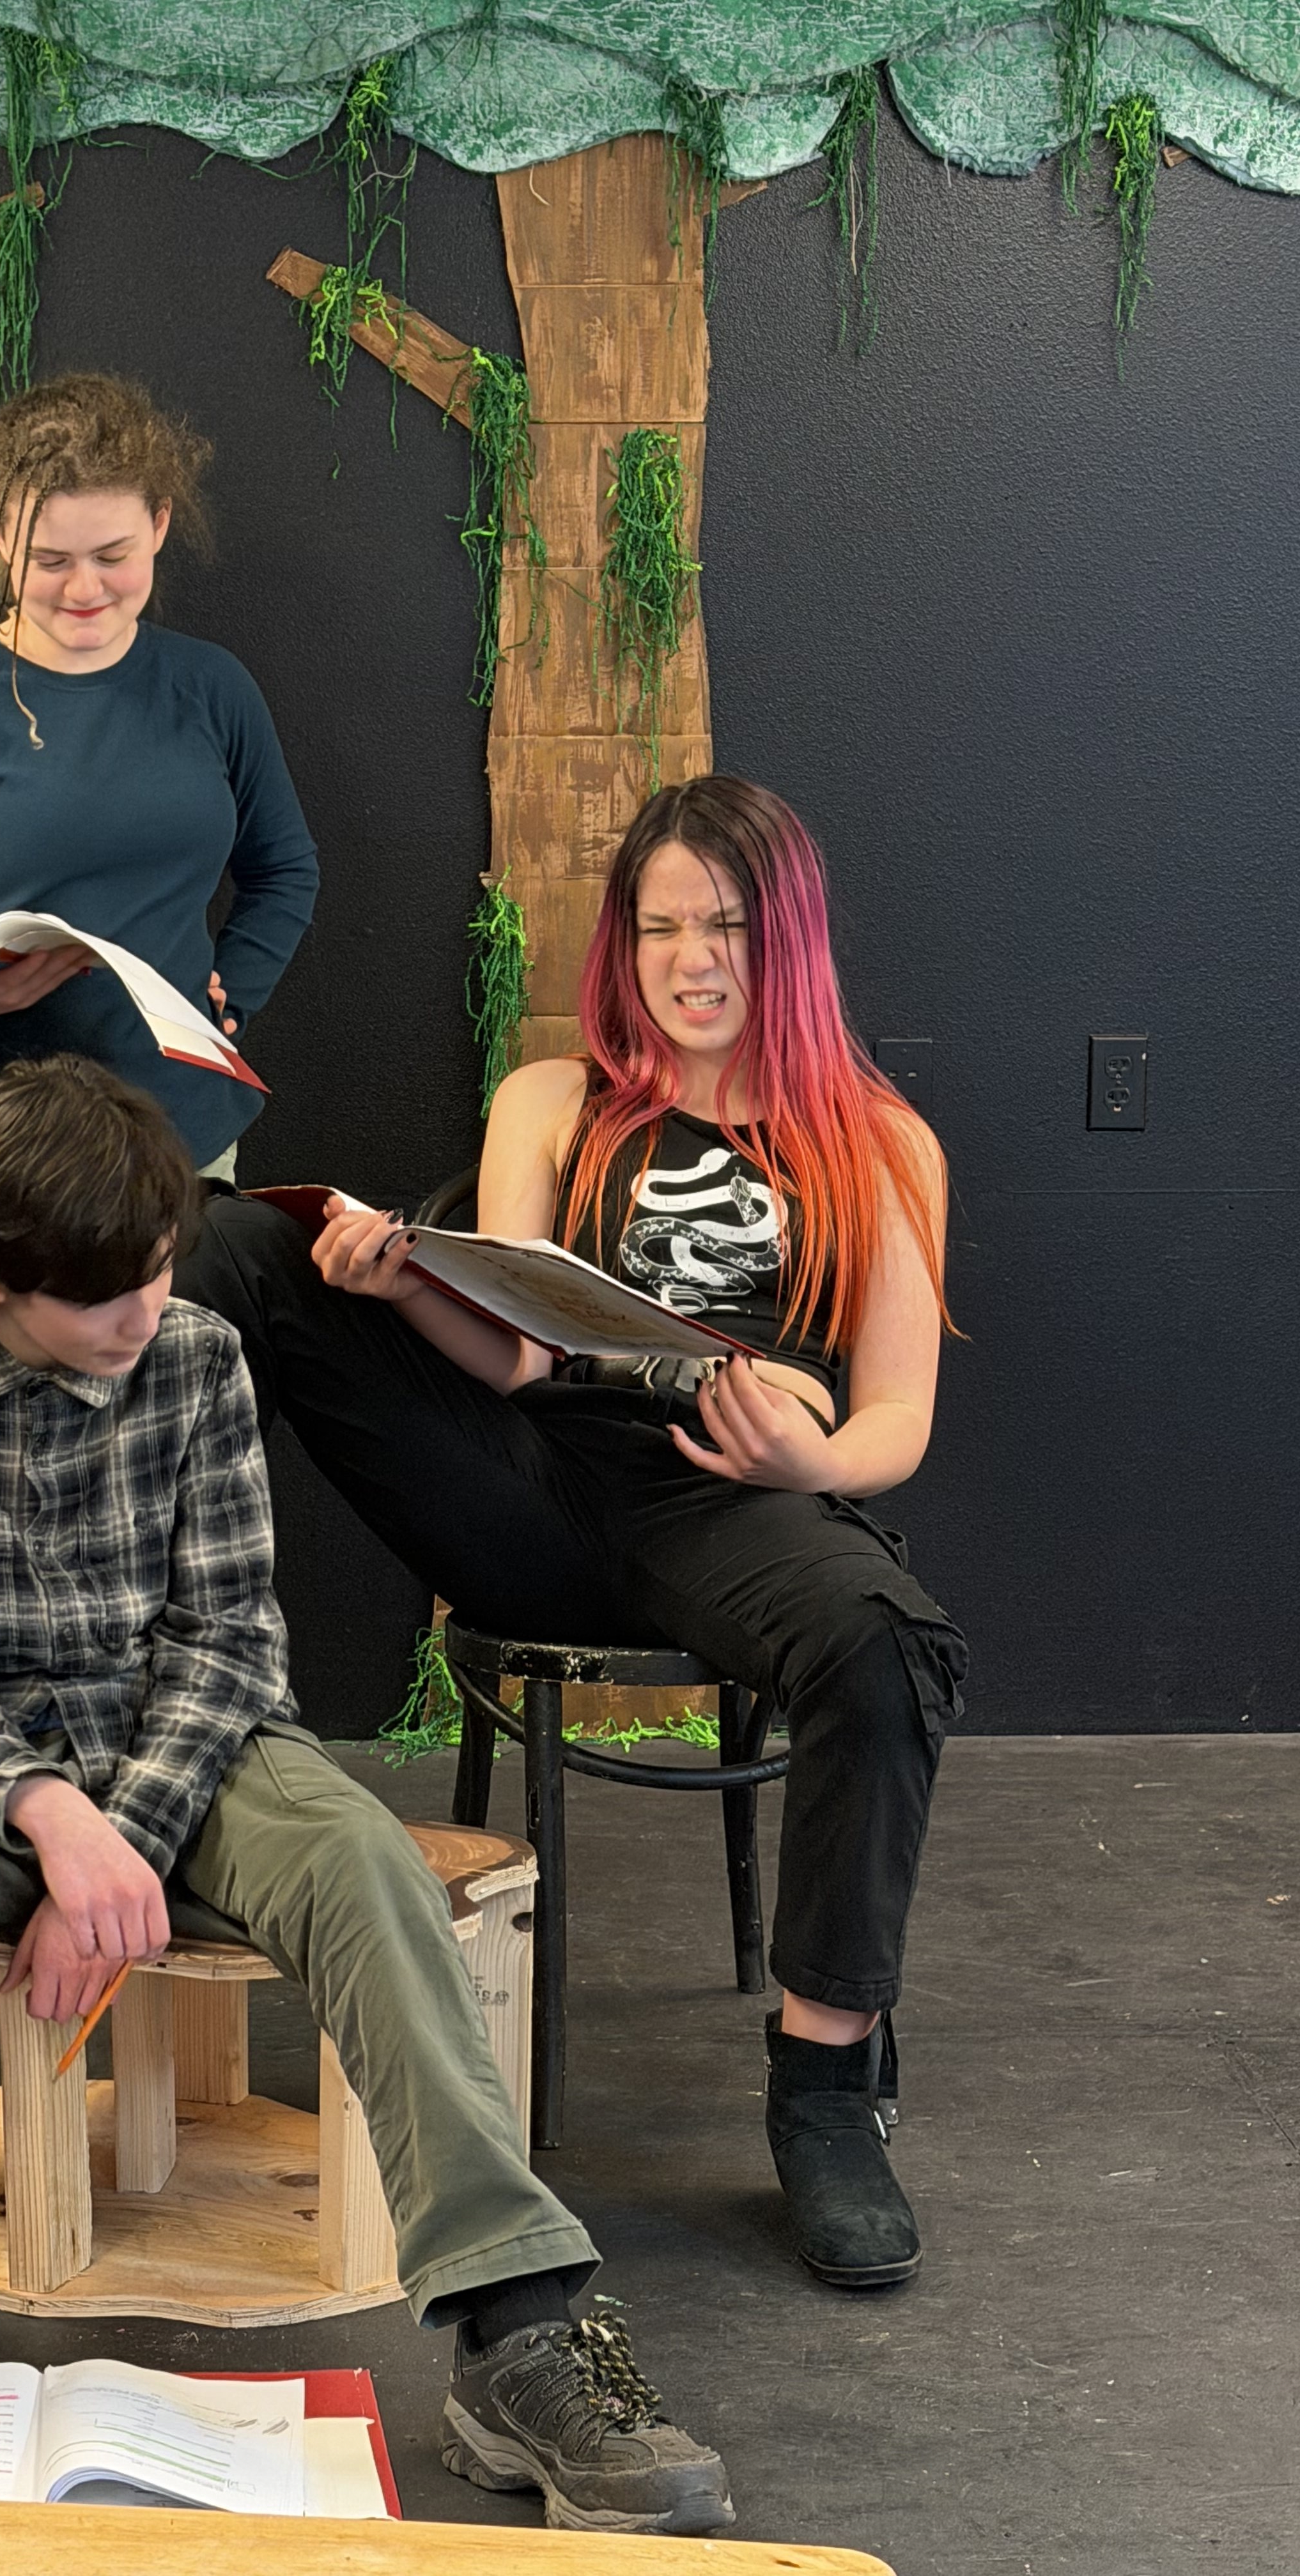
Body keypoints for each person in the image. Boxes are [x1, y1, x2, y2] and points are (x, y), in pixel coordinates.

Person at [0, 1055, 737, 2541]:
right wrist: (49, 1823)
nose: (144, 1316)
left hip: (192, 1756)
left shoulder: (197, 1353)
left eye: (154, 1273)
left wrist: (122, 1837)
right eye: (104, 1297)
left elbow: (228, 1636)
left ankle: (518, 2329)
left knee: (356, 1859)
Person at [179, 774, 969, 2292]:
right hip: (527, 1476)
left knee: (885, 1650)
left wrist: (811, 1459)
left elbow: (897, 1424)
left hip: (735, 1498)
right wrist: (408, 1279)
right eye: (662, 926)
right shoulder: (556, 1103)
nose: (691, 960)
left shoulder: (881, 1143)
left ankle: (825, 2093)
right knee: (243, 1241)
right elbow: (521, 1353)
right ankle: (102, 1618)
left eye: (725, 925)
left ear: (785, 938)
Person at [0, 371, 319, 1277]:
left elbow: (285, 866)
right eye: (48, 560)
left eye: (113, 555)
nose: (84, 590)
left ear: (160, 526)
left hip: (180, 1123)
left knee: (177, 1395)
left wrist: (236, 990)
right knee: (2, 1407)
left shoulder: (212, 687)